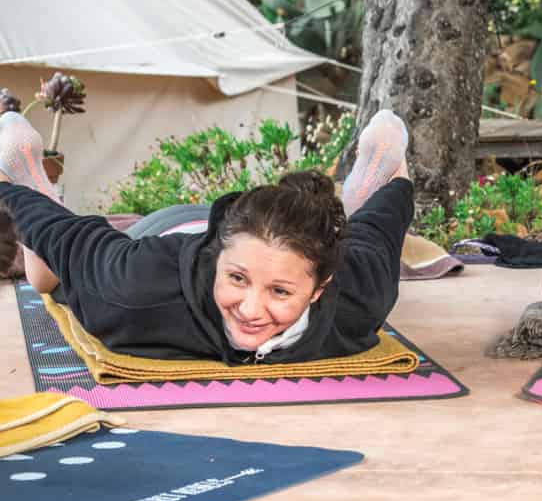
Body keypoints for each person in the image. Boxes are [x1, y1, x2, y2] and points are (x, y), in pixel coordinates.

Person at [0, 107, 414, 363]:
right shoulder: (135, 289)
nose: (251, 310)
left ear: (321, 289)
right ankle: (27, 166)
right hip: (169, 229)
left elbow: (391, 202)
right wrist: (14, 184)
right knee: (45, 278)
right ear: (218, 261)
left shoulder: (360, 296)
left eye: (280, 292)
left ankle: (355, 185)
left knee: (355, 229)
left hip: (255, 231)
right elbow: (63, 232)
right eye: (237, 280)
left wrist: (384, 156)